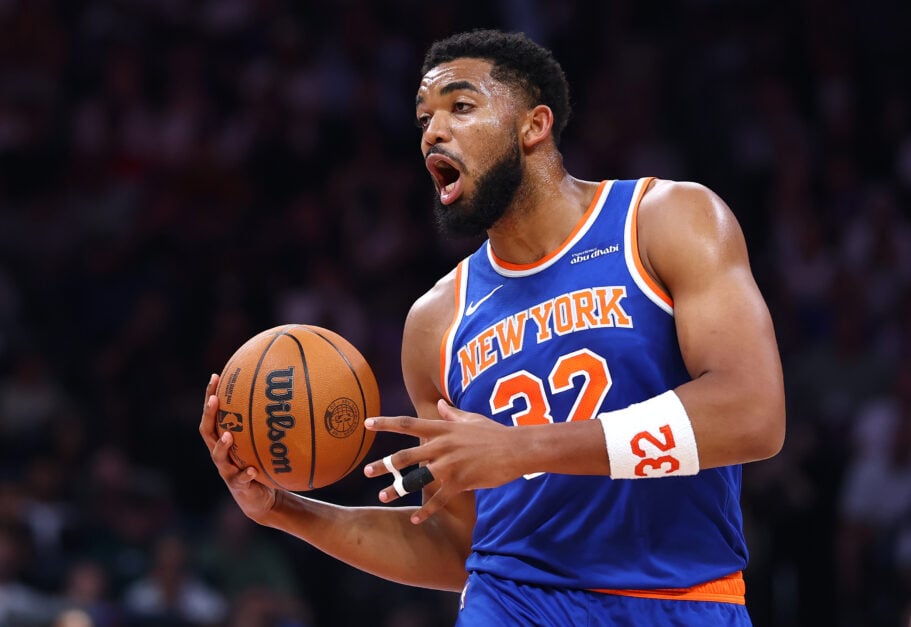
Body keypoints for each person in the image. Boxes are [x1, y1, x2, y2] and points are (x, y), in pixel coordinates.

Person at [200, 29, 785, 625]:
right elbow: (457, 546)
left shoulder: (664, 220)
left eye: (460, 106)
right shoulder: (436, 322)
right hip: (511, 601)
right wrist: (281, 510)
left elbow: (752, 415)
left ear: (535, 125)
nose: (433, 130)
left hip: (682, 598)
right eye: (423, 118)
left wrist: (521, 449)